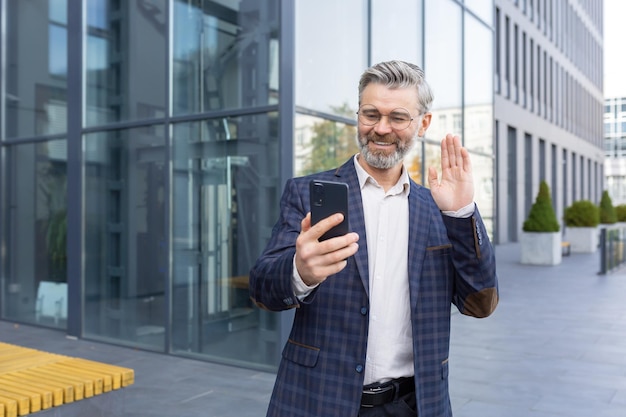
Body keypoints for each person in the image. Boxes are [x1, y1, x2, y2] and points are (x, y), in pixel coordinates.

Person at [249, 60, 499, 417]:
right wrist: (299, 271)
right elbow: (261, 288)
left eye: (398, 117)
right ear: (358, 115)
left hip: (414, 405)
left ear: (422, 123)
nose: (381, 129)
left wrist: (461, 214)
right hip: (317, 401)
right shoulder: (307, 194)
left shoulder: (437, 209)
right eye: (371, 114)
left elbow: (481, 304)